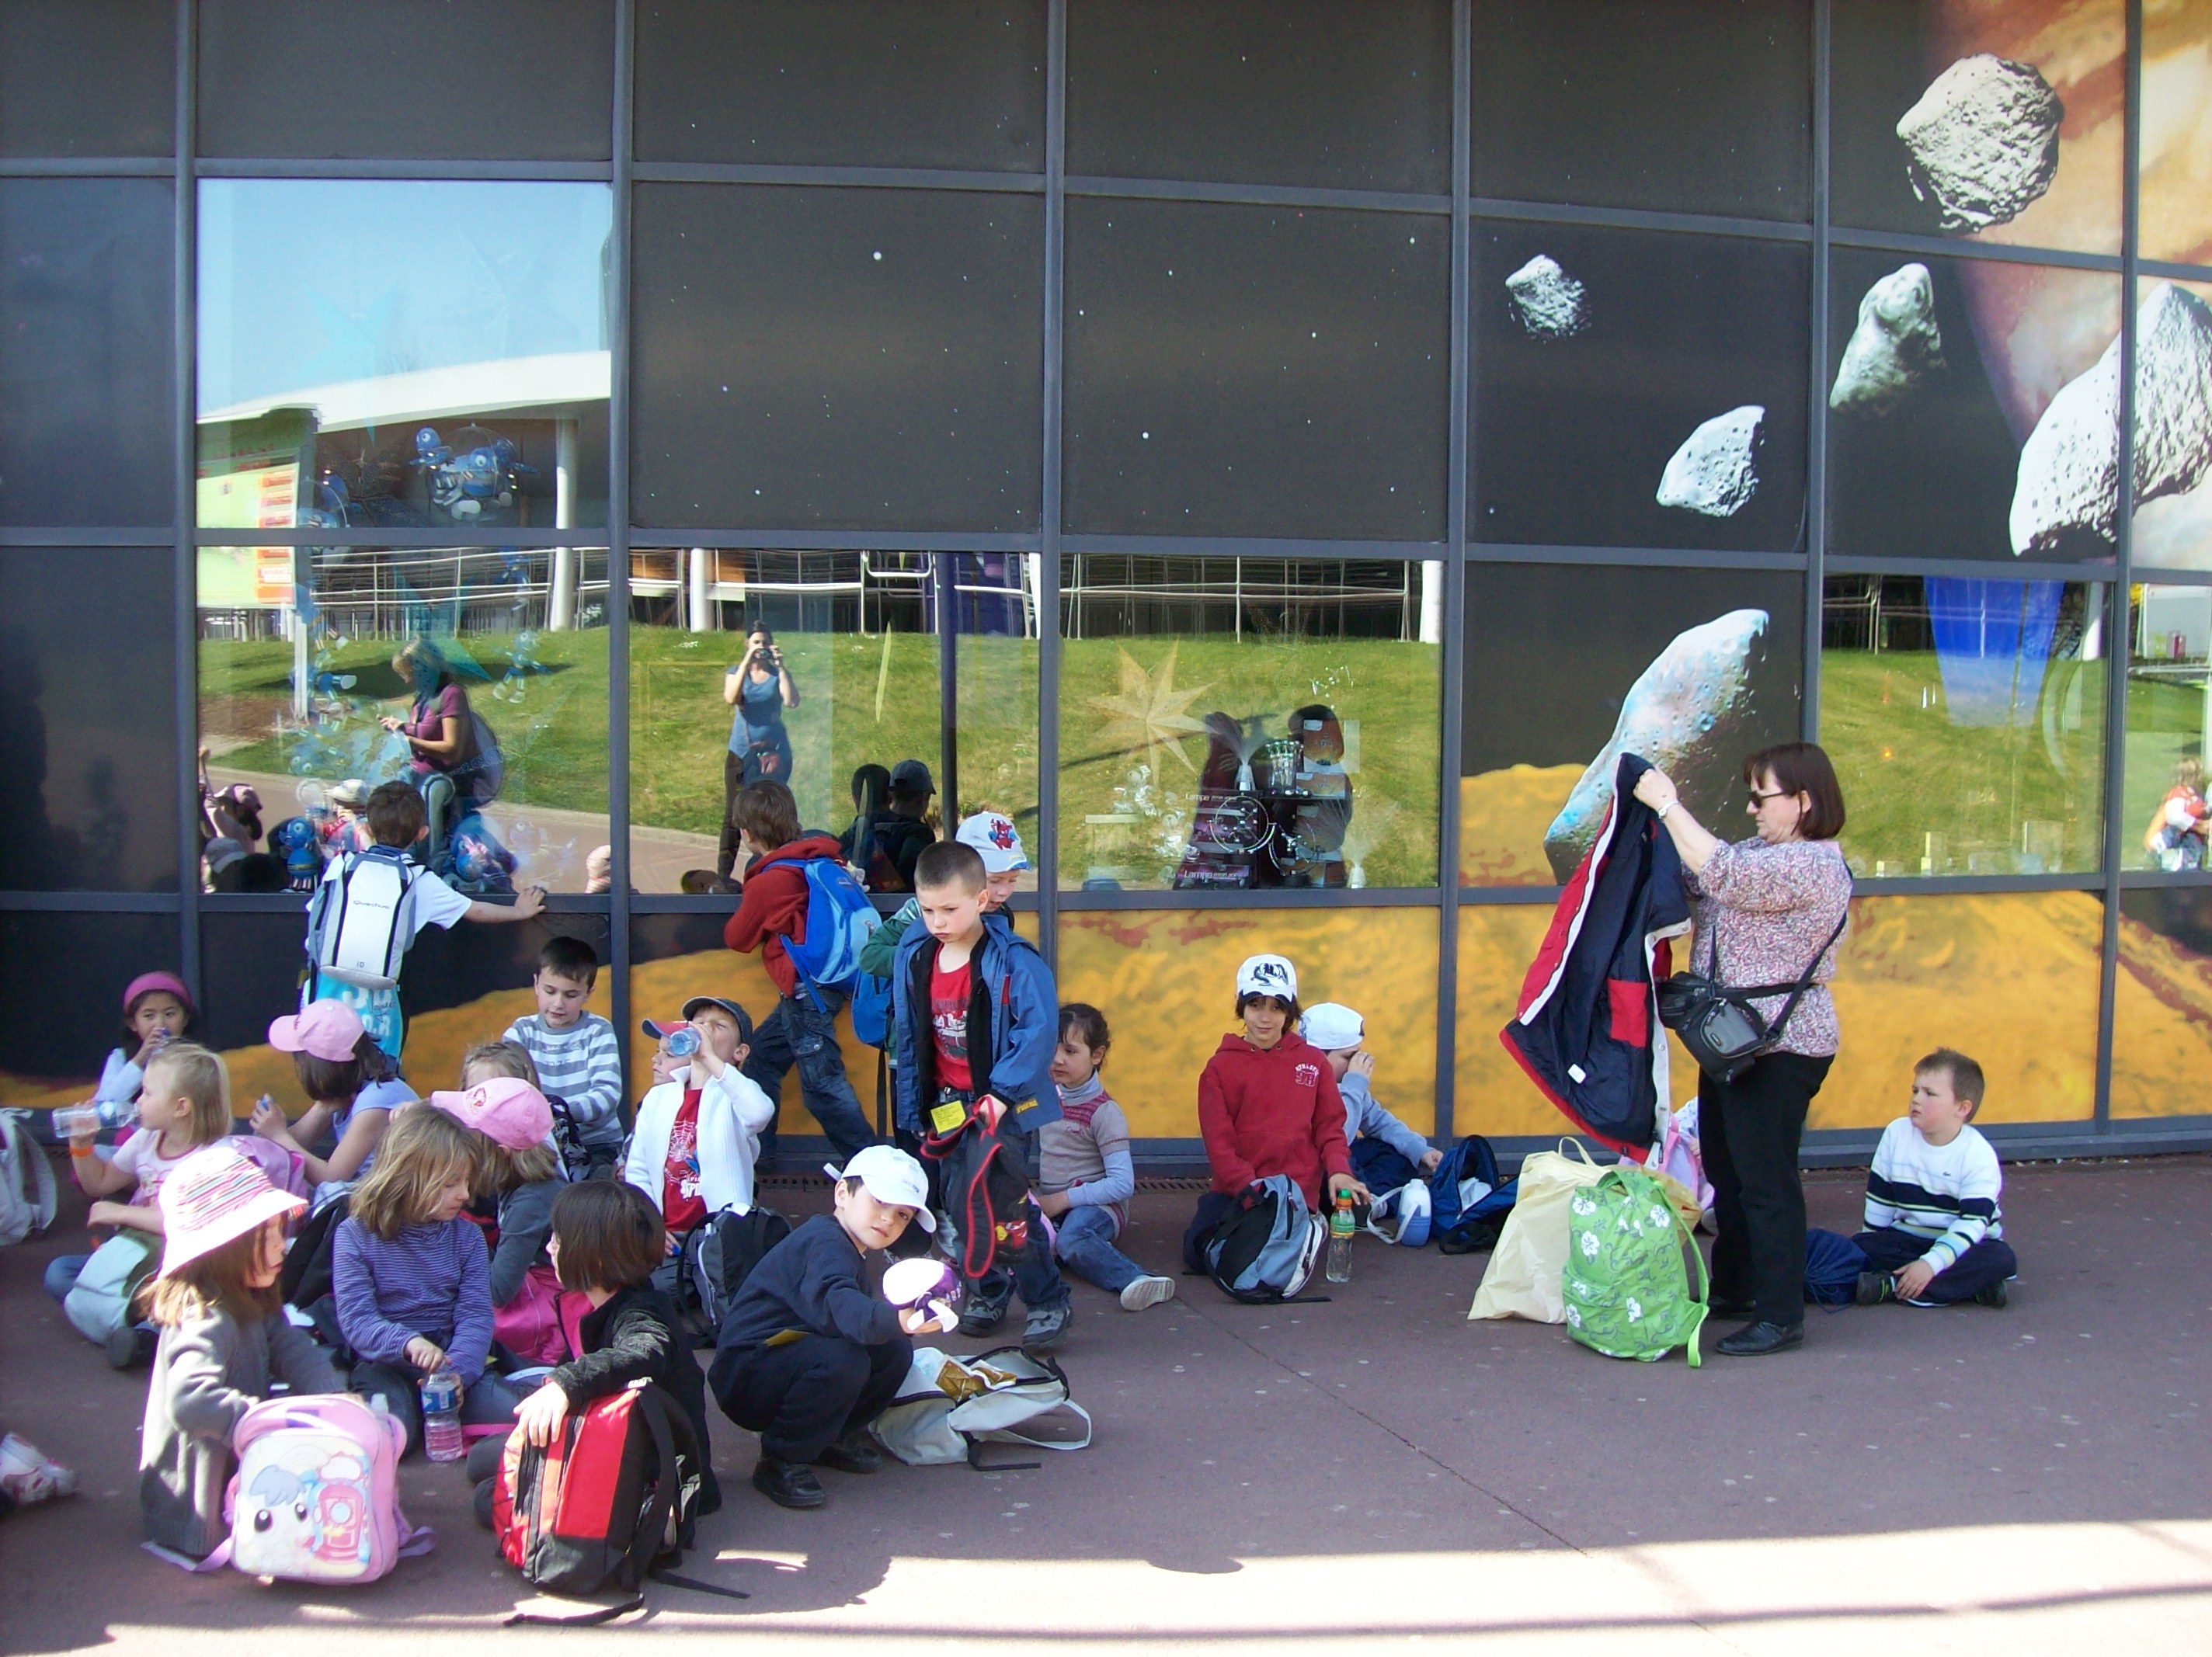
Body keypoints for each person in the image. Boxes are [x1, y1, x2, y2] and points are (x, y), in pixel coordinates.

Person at [1634, 741, 1852, 1358]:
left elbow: (1722, 874)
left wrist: (1668, 806)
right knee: (1729, 1173)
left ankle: (1780, 1316)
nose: (1751, 808)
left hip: (1779, 1047)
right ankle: (1737, 1287)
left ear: (1803, 800)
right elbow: (1698, 877)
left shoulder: (1814, 865)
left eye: (1762, 797)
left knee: (1765, 1181)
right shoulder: (1761, 854)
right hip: (1731, 1043)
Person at [892, 837, 1069, 1345]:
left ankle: (1047, 1299)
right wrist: (915, 1105)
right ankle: (988, 1290)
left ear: (982, 899)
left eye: (949, 909)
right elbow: (912, 1035)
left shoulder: (1012, 960)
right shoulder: (916, 954)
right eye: (928, 910)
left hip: (999, 1107)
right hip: (947, 1106)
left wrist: (1004, 1092)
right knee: (958, 1203)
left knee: (1004, 1206)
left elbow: (1038, 1031)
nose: (938, 921)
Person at [466, 1180, 722, 1527]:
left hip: (651, 1472)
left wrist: (567, 1383)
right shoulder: (598, 1300)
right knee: (481, 1460)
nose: (549, 1247)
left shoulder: (640, 1312)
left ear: (594, 1258)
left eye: (558, 1240)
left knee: (489, 1499)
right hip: (612, 1442)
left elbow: (645, 1347)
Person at [139, 1146, 340, 1563]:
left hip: (238, 1469)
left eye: (280, 1231)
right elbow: (189, 1401)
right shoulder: (204, 1315)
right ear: (224, 1249)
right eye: (266, 1238)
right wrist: (261, 1421)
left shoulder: (250, 1297)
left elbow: (293, 1349)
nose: (282, 1246)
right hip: (198, 1507)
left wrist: (336, 1402)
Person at [708, 1145, 938, 1510]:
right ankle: (780, 1458)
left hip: (783, 1354)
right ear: (842, 1193)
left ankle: (826, 1436)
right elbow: (839, 1305)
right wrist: (898, 1319)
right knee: (845, 1360)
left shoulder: (845, 1243)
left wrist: (896, 1326)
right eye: (880, 1201)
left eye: (902, 1215)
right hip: (746, 1373)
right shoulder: (825, 1242)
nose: (889, 1219)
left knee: (893, 1350)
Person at [303, 780, 544, 1060]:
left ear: (367, 828)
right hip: (380, 993)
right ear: (422, 833)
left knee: (324, 1058)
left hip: (327, 981)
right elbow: (474, 910)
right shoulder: (419, 881)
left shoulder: (341, 866)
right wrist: (518, 911)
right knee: (378, 1064)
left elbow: (316, 912)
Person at [332, 1105, 521, 1454]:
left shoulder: (467, 1237)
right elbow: (357, 1320)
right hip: (386, 1361)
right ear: (407, 1177)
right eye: (450, 1184)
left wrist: (458, 1373)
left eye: (466, 1181)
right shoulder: (355, 1235)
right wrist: (408, 1343)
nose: (465, 1194)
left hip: (451, 1357)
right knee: (391, 1434)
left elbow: (475, 1315)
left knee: (514, 1415)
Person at [1182, 954, 1368, 1273]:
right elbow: (1220, 1146)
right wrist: (1253, 1192)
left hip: (1297, 1193)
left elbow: (1330, 1128)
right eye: (1256, 1005)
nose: (1265, 1018)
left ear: (1289, 1011)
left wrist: (1339, 1170)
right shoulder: (1219, 1069)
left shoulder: (1314, 1063)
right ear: (1241, 1007)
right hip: (1242, 1192)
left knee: (1269, 1251)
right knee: (1198, 1253)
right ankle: (1291, 1235)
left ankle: (1305, 1228)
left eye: (1277, 1007)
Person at [724, 780, 877, 1162]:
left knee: (823, 1086)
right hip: (829, 982)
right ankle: (758, 1156)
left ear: (748, 833)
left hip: (806, 990)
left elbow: (737, 938)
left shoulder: (772, 880)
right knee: (760, 1058)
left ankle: (874, 1167)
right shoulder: (820, 861)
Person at [1820, 1048, 2016, 1309]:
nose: (1916, 1100)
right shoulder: (1896, 1134)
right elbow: (1881, 1197)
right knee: (1859, 1246)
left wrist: (1930, 1264)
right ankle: (1971, 1290)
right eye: (1915, 1091)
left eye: (1929, 1094)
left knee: (2001, 1259)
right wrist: (1870, 1244)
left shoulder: (1977, 1154)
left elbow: (1973, 1223)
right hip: (1909, 1238)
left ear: (1962, 1108)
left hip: (1964, 1245)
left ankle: (1890, 1286)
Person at [46, 1043, 234, 1312]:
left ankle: (132, 1315)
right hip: (138, 1251)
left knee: (187, 1296)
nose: (139, 1101)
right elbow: (99, 1182)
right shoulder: (148, 1137)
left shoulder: (214, 1157)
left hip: (184, 1267)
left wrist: (120, 1213)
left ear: (181, 1107)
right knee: (59, 1273)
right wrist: (81, 1145)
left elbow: (185, 1224)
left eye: (147, 1093)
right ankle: (135, 1316)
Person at [1037, 1004, 1176, 1311]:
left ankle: (1136, 1280)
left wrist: (1063, 1200)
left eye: (1070, 1051)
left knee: (1073, 1239)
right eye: (1053, 1049)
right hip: (1053, 1204)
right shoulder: (1045, 1097)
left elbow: (1122, 1184)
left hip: (1098, 1208)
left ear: (1096, 1056)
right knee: (1012, 1233)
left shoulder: (1105, 1112)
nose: (1058, 1059)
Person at [623, 997, 777, 1273]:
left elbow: (760, 1112)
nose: (705, 1030)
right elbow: (638, 1170)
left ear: (740, 1052)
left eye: (718, 1026)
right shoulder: (658, 1097)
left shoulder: (736, 1095)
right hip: (668, 1237)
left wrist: (710, 1059)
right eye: (699, 1023)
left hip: (721, 1241)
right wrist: (650, 1224)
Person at [436, 1058, 567, 1322]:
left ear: (501, 1153)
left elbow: (498, 1291)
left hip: (554, 1308)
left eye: (469, 1131)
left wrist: (452, 1229)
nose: (461, 1135)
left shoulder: (532, 1199)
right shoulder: (513, 1178)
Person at [252, 999, 419, 1204]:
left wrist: (279, 1135)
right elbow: (288, 1152)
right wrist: (320, 1110)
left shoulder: (377, 1100)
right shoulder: (347, 1090)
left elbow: (332, 1179)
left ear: (315, 1066)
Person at [502, 936, 624, 1180]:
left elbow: (607, 1094)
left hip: (596, 1143)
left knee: (594, 1192)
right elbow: (505, 1090)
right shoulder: (521, 1032)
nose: (558, 1003)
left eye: (571, 995)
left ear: (588, 993)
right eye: (550, 991)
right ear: (536, 984)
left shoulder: (598, 1030)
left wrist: (558, 1114)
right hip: (538, 1145)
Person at [859, 808, 1027, 980]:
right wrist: (926, 957)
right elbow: (870, 956)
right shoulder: (919, 911)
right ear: (963, 869)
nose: (1004, 892)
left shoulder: (1001, 913)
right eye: (994, 881)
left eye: (1012, 880)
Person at [1297, 1002, 1442, 1192]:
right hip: (1314, 1165)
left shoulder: (1346, 1084)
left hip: (1342, 1159)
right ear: (1318, 1056)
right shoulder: (1301, 1083)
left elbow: (1380, 1123)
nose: (1356, 1063)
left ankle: (1374, 1198)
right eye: (1349, 1057)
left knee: (1393, 1151)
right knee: (1344, 1162)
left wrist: (1421, 1151)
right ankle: (1366, 1198)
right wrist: (1354, 1085)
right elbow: (1338, 1137)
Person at [718, 624, 798, 881]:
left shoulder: (776, 675)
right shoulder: (736, 672)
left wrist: (781, 666)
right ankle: (723, 875)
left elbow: (792, 701)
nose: (760, 647)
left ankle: (774, 866)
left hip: (774, 755)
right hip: (741, 755)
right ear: (747, 644)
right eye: (756, 643)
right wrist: (747, 662)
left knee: (772, 808)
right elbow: (731, 697)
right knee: (733, 812)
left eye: (764, 643)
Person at [85, 971, 196, 1129]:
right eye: (149, 1016)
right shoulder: (119, 1058)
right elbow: (104, 1106)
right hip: (130, 1138)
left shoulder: (197, 1059)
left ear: (185, 1019)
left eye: (169, 1014)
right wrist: (141, 1058)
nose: (160, 1024)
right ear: (133, 1024)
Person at [840, 760, 937, 894]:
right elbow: (911, 873)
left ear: (891, 794)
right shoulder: (920, 833)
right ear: (925, 796)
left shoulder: (863, 825)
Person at [2144, 756, 2210, 871]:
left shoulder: (2194, 796)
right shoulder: (2179, 793)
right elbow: (2174, 816)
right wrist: (2198, 825)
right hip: (2174, 848)